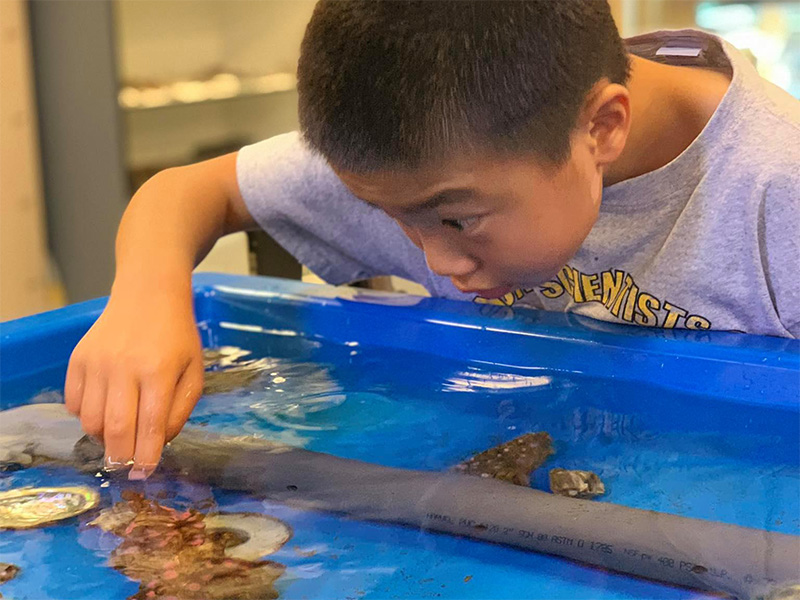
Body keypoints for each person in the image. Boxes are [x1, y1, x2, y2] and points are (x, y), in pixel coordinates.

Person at [64, 1, 800, 480]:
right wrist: (144, 300)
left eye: (457, 219)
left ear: (601, 129)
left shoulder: (776, 191)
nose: (434, 259)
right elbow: (187, 192)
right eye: (388, 216)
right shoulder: (429, 152)